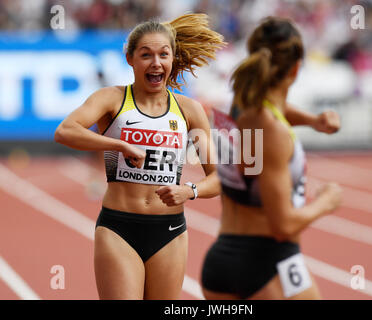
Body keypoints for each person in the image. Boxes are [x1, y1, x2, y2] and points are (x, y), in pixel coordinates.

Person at [54, 13, 225, 300]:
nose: (155, 63)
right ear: (130, 58)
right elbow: (65, 131)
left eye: (163, 55)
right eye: (146, 55)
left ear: (172, 59)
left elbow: (219, 178)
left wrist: (189, 190)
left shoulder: (189, 110)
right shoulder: (112, 99)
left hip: (169, 231)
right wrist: (120, 145)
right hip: (119, 228)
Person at [201, 16, 342, 300]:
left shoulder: (242, 106)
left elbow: (275, 107)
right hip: (268, 263)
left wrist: (313, 120)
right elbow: (284, 226)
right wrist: (327, 201)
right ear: (296, 68)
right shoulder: (274, 132)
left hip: (221, 263)